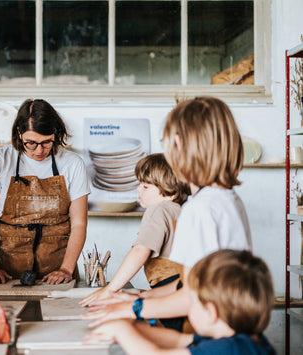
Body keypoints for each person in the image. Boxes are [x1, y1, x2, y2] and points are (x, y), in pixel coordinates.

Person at [83, 96, 252, 329]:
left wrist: (129, 308)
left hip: (211, 332)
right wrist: (140, 296)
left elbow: (190, 299)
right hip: (231, 325)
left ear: (177, 143)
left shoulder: (200, 209)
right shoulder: (228, 200)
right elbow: (189, 283)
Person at [0, 99, 91, 284]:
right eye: (31, 143)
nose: (39, 151)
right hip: (7, 267)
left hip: (58, 265)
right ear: (19, 133)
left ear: (56, 134)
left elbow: (79, 224)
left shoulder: (72, 163)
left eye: (46, 142)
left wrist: (65, 269)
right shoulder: (0, 159)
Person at [84, 249, 276, 355]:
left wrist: (122, 330)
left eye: (190, 300)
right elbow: (178, 339)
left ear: (211, 312)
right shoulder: (238, 338)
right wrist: (131, 328)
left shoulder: (230, 349)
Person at [81, 153, 190, 329]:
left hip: (168, 292)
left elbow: (140, 251)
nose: (138, 189)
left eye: (146, 186)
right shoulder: (183, 211)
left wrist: (110, 289)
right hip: (181, 291)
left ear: (171, 193)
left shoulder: (158, 210)